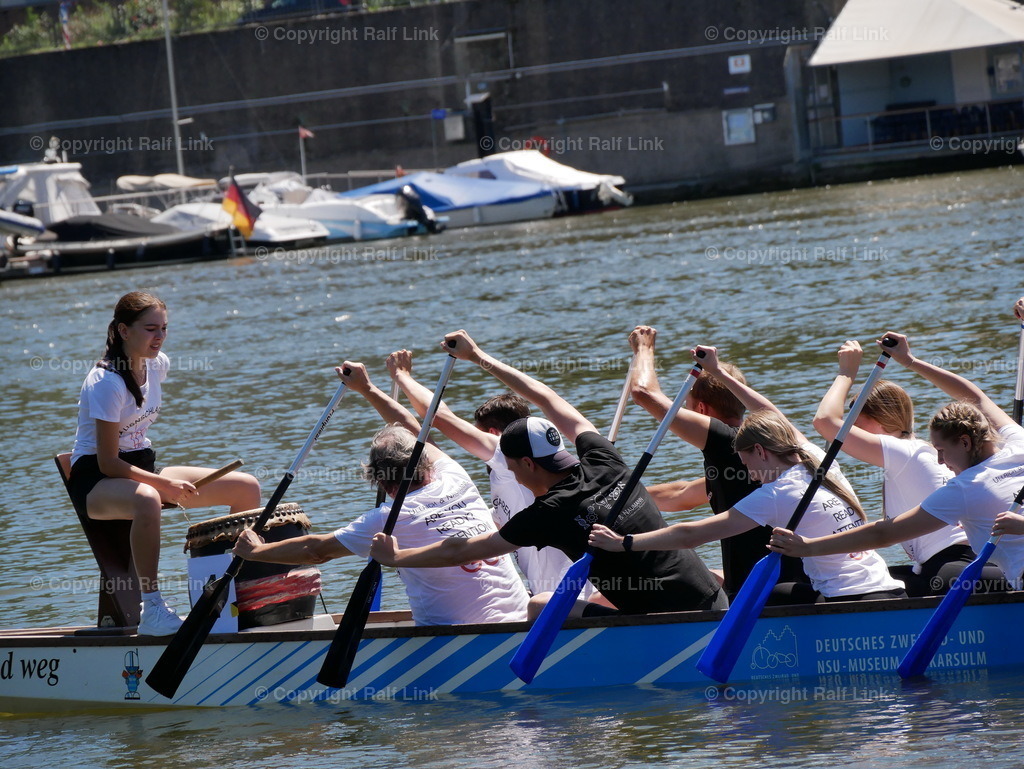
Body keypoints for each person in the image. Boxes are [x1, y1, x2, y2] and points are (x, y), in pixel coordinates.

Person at [369, 330, 727, 618]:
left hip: (666, 625)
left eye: (510, 467)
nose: (512, 476)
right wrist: (479, 357)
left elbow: (459, 552)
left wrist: (398, 558)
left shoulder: (549, 513)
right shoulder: (604, 457)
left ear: (527, 464)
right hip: (713, 599)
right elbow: (548, 398)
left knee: (539, 604)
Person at [233, 362, 528, 626]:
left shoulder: (385, 520)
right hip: (521, 619)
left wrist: (255, 551)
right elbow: (417, 429)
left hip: (451, 635)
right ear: (425, 463)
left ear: (379, 481)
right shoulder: (456, 476)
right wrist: (367, 388)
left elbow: (316, 550)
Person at [68, 291, 261, 636]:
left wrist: (160, 483)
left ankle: (239, 593)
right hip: (96, 483)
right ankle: (152, 608)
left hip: (143, 471)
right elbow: (109, 462)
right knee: (147, 498)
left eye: (164, 329)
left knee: (246, 487)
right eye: (150, 329)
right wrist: (163, 486)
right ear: (124, 331)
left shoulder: (159, 365)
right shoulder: (105, 382)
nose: (159, 337)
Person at [770, 331, 1024, 589]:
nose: (940, 459)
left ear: (966, 443)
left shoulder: (929, 465)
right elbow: (976, 398)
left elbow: (826, 422)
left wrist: (847, 373)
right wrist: (909, 361)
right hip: (972, 562)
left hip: (957, 567)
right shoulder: (1017, 443)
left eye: (855, 416)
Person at [590, 408, 907, 602]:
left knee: (752, 597)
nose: (752, 476)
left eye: (747, 464)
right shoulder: (821, 461)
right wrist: (718, 372)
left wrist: (624, 543)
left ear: (761, 450)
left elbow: (693, 535)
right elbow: (770, 411)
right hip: (890, 588)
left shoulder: (775, 494)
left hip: (848, 600)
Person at [383, 349, 604, 603]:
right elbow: (423, 441)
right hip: (557, 595)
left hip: (571, 603)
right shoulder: (544, 459)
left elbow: (440, 417)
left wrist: (402, 376)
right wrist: (368, 389)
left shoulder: (504, 452)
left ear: (494, 434)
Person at [627, 327, 807, 597]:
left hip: (764, 595)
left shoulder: (727, 442)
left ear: (701, 411)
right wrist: (616, 499)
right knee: (707, 572)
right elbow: (682, 495)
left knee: (608, 594)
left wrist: (644, 349)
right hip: (783, 579)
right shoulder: (761, 449)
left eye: (687, 404)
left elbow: (642, 392)